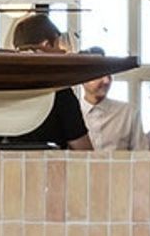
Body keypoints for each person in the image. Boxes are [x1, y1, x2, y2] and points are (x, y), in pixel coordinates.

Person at [8, 13, 92, 151]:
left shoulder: (2, 89)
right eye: (58, 44)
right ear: (46, 45)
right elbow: (83, 151)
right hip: (52, 170)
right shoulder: (60, 92)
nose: (62, 51)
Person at [77, 47, 142, 151]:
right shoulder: (70, 114)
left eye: (109, 75)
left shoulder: (128, 112)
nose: (106, 81)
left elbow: (142, 156)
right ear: (82, 78)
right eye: (99, 75)